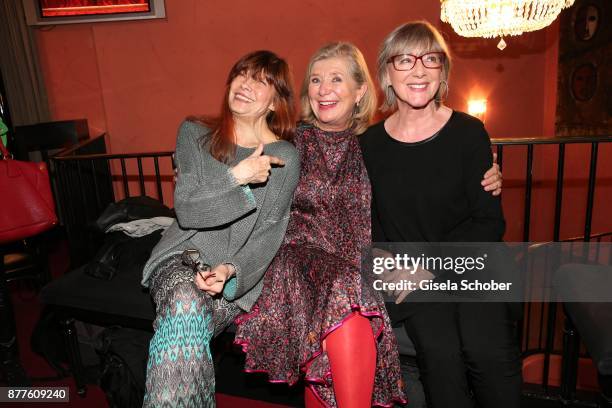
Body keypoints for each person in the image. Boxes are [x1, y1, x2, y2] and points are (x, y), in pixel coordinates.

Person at [235, 42, 502, 408]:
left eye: (336, 79)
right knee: (348, 292)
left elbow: (422, 178)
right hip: (300, 262)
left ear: (361, 90)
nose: (323, 89)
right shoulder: (291, 141)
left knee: (351, 302)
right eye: (315, 80)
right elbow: (242, 142)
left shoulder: (373, 145)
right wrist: (213, 170)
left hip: (357, 263)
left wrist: (484, 175)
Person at [360, 21, 521, 408]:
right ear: (386, 73)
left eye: (430, 59)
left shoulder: (468, 133)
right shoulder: (369, 145)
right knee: (441, 359)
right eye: (405, 60)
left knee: (488, 356)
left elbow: (489, 222)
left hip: (473, 268)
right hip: (412, 281)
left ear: (442, 72)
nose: (419, 70)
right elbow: (372, 224)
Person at [141, 50, 300, 407]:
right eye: (241, 74)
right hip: (180, 258)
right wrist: (238, 177)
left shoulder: (285, 156)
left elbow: (269, 232)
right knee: (185, 304)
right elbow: (188, 210)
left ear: (275, 102)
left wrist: (230, 271)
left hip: (229, 278)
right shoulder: (195, 133)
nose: (244, 84)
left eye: (260, 81)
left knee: (183, 327)